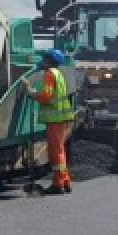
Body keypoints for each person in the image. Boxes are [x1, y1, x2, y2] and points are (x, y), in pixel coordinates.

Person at [28, 49, 74, 194]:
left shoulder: (49, 74)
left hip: (55, 119)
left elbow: (46, 96)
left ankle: (58, 183)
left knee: (55, 151)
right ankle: (65, 181)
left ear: (49, 61)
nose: (42, 61)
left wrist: (31, 92)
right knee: (60, 150)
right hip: (62, 118)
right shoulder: (58, 74)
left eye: (44, 59)